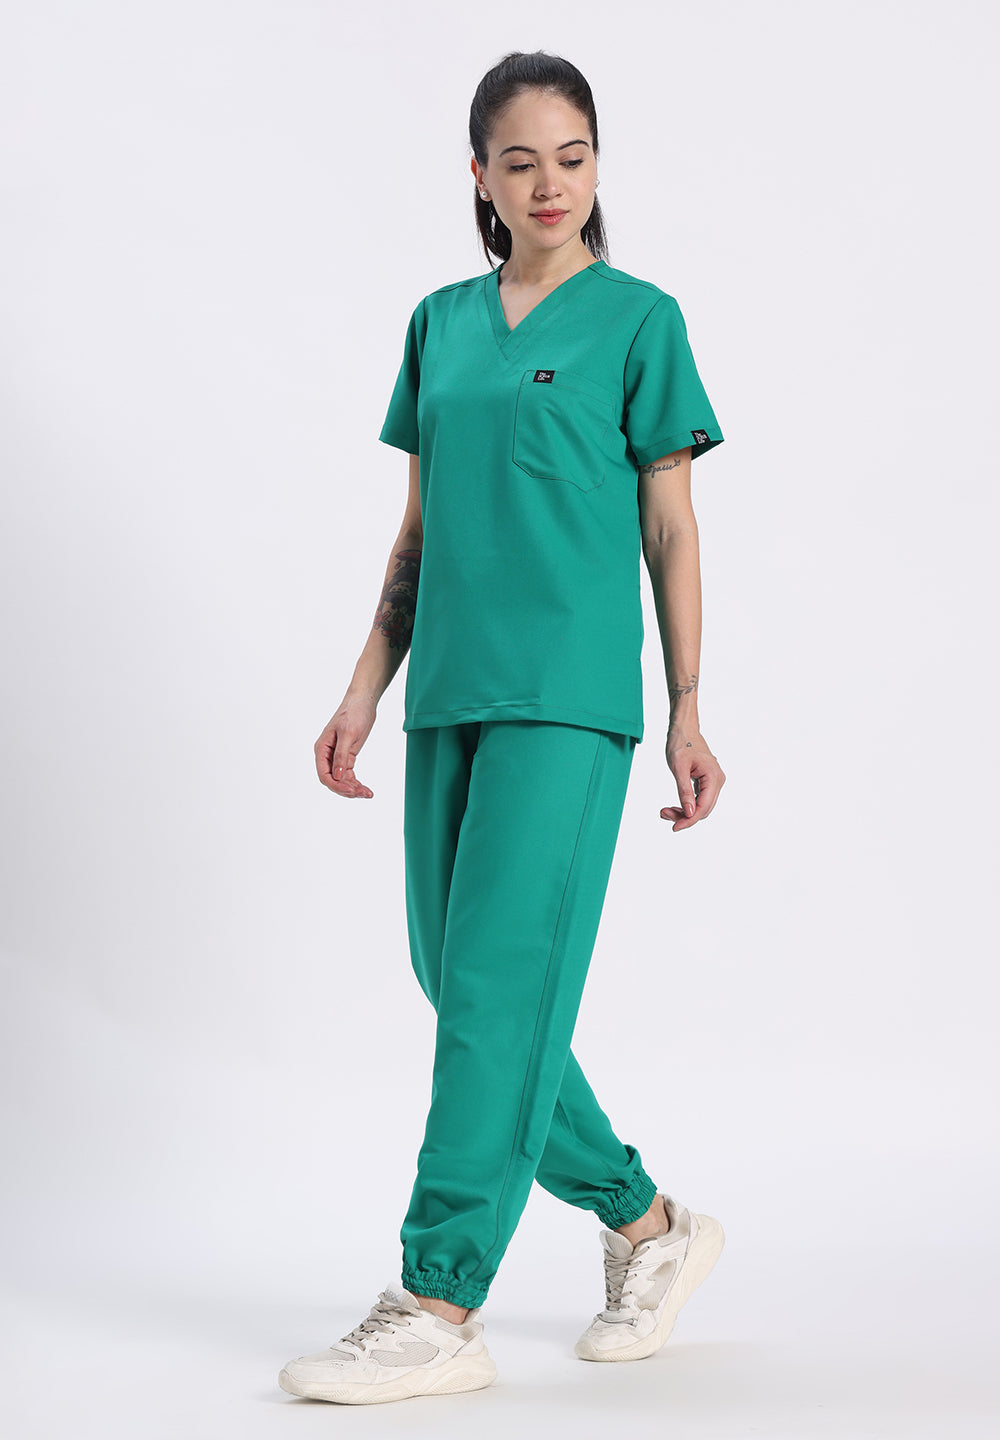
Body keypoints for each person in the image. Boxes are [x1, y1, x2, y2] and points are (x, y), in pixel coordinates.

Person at [278, 49, 728, 1407]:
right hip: (451, 690)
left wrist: (689, 705)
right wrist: (364, 687)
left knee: (491, 989)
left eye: (572, 158)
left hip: (569, 696)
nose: (549, 185)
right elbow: (418, 532)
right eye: (521, 161)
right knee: (459, 976)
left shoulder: (640, 322)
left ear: (598, 166)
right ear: (479, 175)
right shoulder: (441, 325)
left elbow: (671, 527)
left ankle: (438, 1299)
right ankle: (648, 1223)